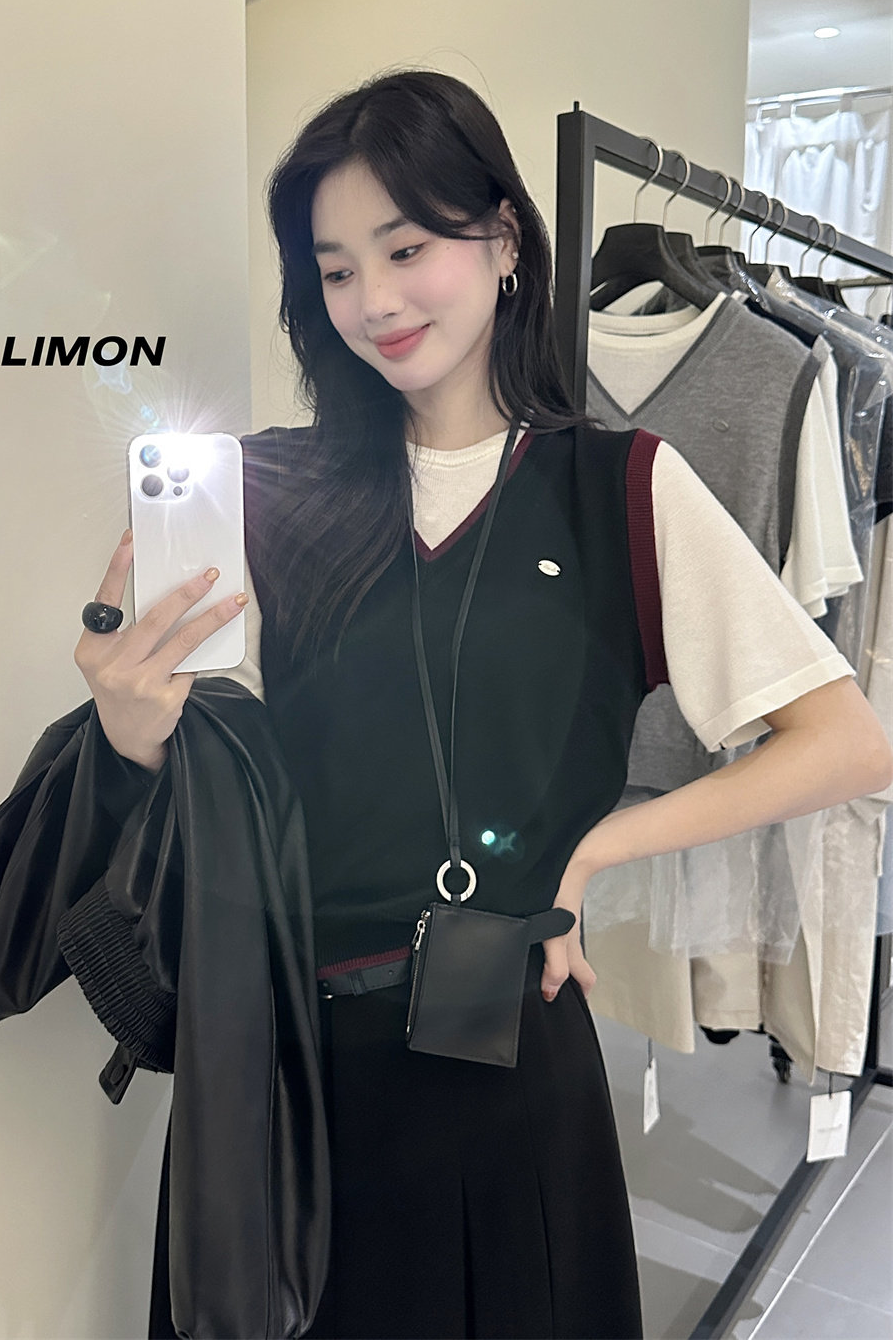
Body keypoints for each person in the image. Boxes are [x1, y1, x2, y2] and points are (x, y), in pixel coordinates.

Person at [74, 70, 893, 1340]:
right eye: (336, 269)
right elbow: (218, 783)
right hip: (283, 1060)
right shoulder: (271, 489)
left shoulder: (619, 486)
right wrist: (130, 730)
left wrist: (595, 846)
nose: (374, 300)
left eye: (407, 248)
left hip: (500, 1051)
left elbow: (847, 741)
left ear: (505, 239)